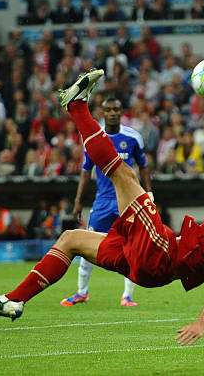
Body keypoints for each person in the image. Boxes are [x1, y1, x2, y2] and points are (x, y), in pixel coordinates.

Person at [0, 71, 204, 346]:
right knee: (70, 239)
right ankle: (13, 300)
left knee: (124, 173)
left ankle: (76, 106)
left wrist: (202, 322)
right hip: (151, 267)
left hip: (161, 252)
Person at [60, 97, 152, 308]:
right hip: (102, 202)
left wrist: (149, 192)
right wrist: (78, 202)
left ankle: (127, 296)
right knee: (86, 246)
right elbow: (85, 172)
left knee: (131, 246)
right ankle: (82, 292)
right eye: (108, 110)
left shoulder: (133, 137)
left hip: (127, 201)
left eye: (116, 109)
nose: (112, 113)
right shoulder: (94, 138)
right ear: (102, 113)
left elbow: (144, 166)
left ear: (121, 112)